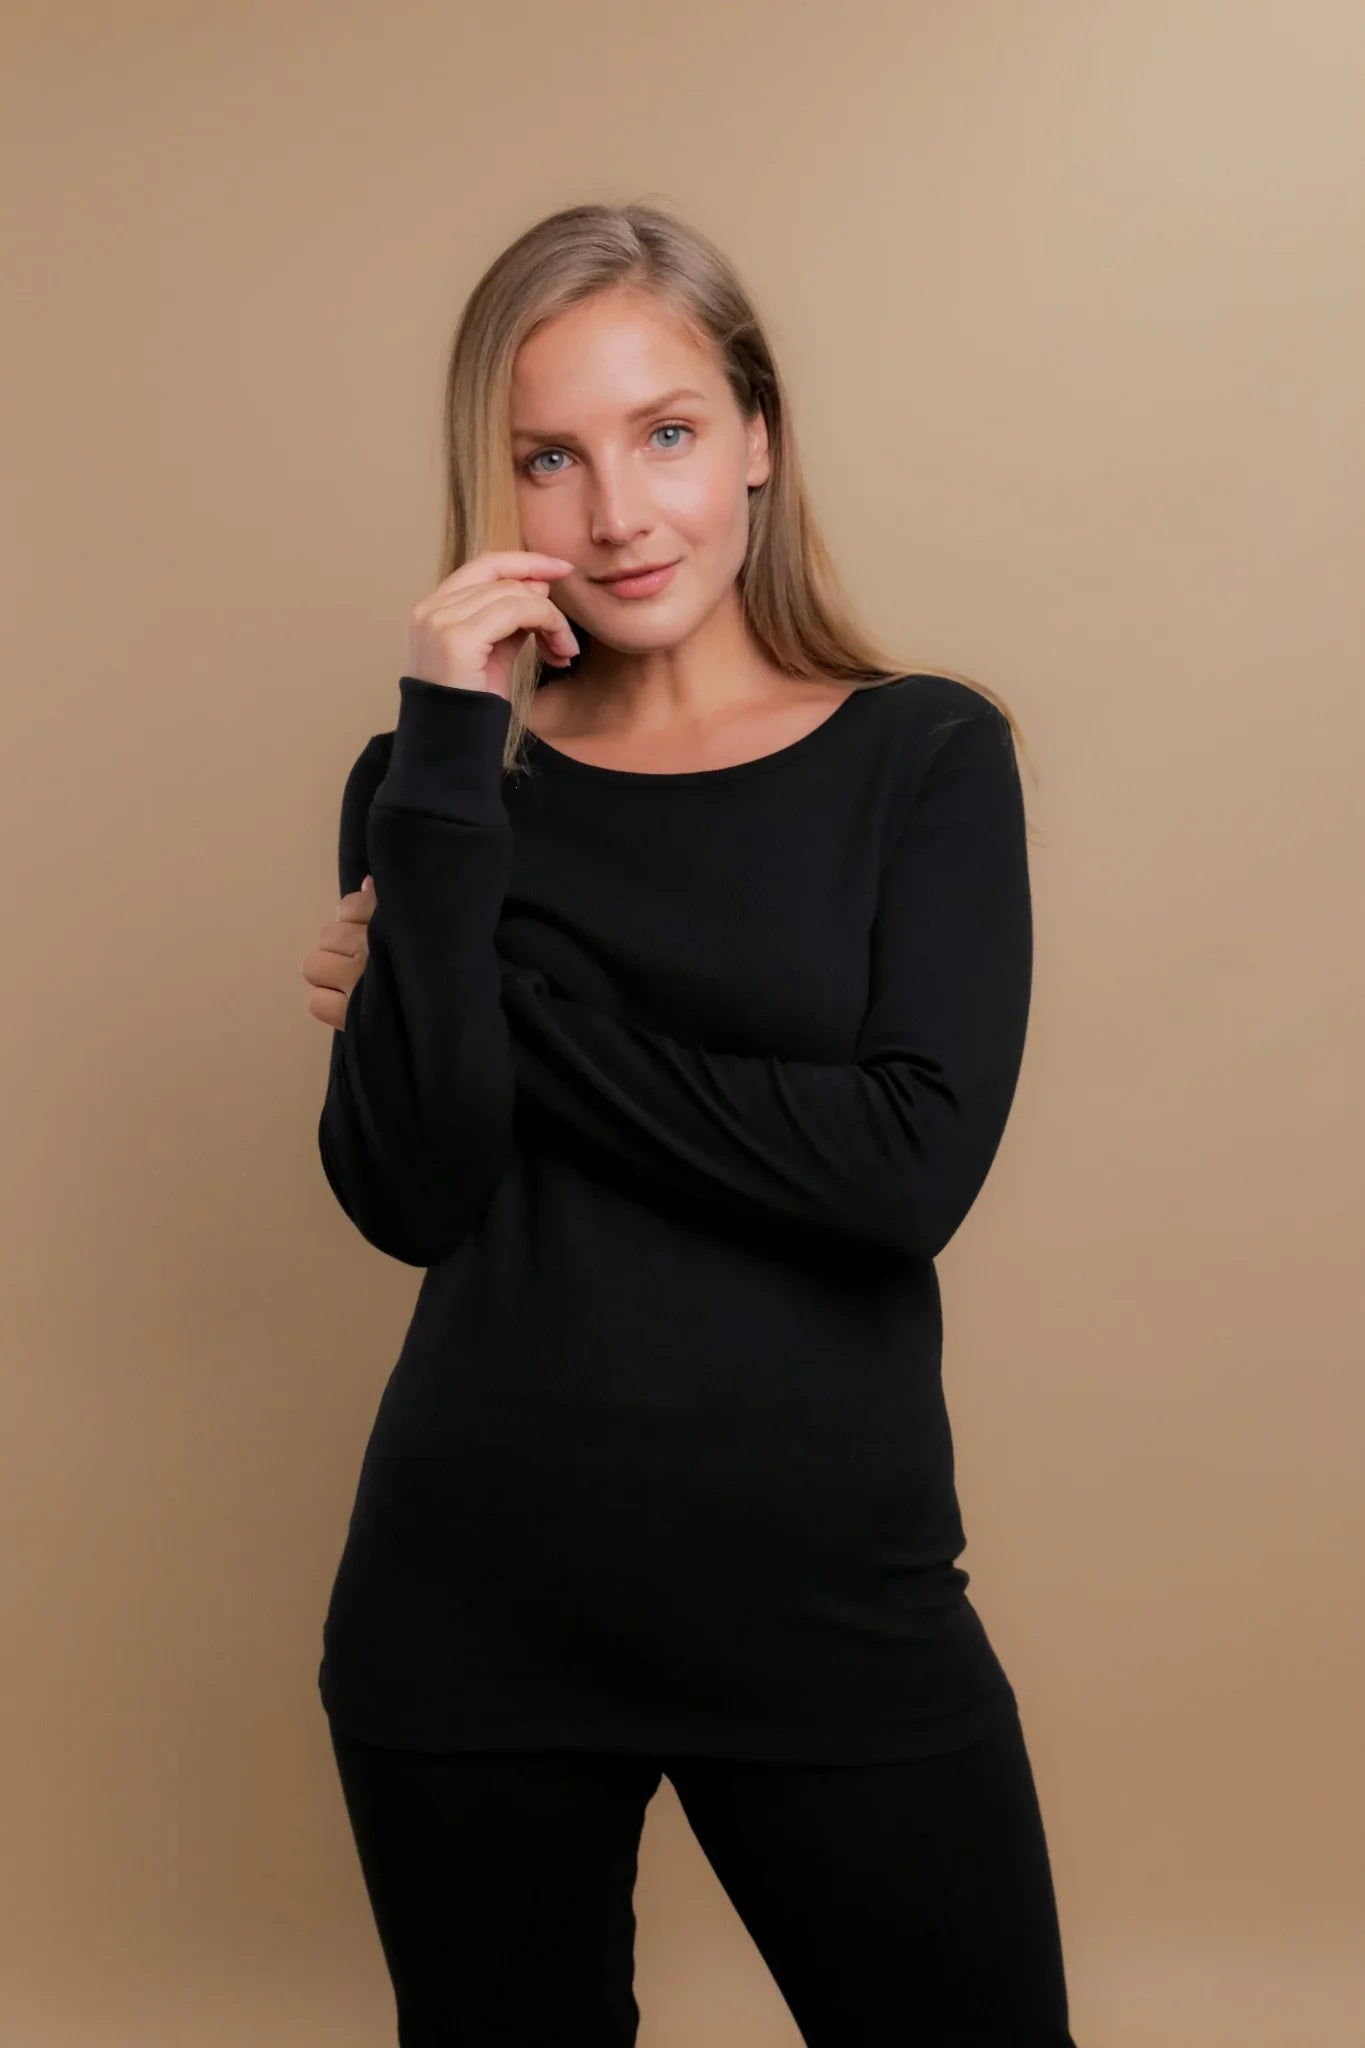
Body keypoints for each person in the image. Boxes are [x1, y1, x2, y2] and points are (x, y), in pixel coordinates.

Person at [301, 200, 1078, 2046]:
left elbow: (903, 1172)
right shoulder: (430, 793)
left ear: (756, 439)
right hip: (467, 1610)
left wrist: (481, 987)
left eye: (661, 433)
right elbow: (413, 1192)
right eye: (546, 459)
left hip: (828, 1602)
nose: (615, 512)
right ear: (493, 493)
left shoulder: (923, 756)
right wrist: (436, 780)